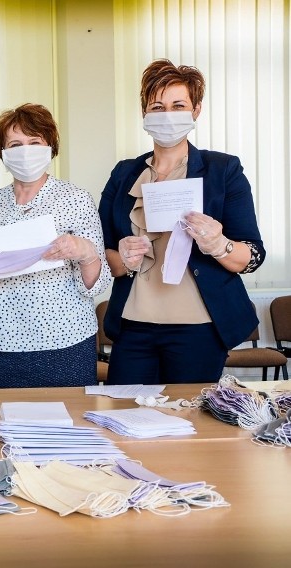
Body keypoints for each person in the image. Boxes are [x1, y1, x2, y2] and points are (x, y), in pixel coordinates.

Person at [99, 59, 265, 384]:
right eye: (157, 106)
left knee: (190, 424)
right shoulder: (124, 174)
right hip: (133, 325)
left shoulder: (223, 170)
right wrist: (125, 258)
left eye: (178, 105)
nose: (167, 115)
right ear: (144, 113)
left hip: (200, 327)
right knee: (124, 422)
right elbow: (104, 255)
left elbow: (252, 256)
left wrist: (219, 244)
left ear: (196, 110)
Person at [0, 104, 111, 388]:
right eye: (15, 144)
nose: (25, 151)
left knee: (71, 426)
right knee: (8, 426)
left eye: (34, 142)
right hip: (2, 342)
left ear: (50, 146)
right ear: (2, 153)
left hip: (67, 339)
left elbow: (96, 284)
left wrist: (86, 252)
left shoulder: (76, 199)